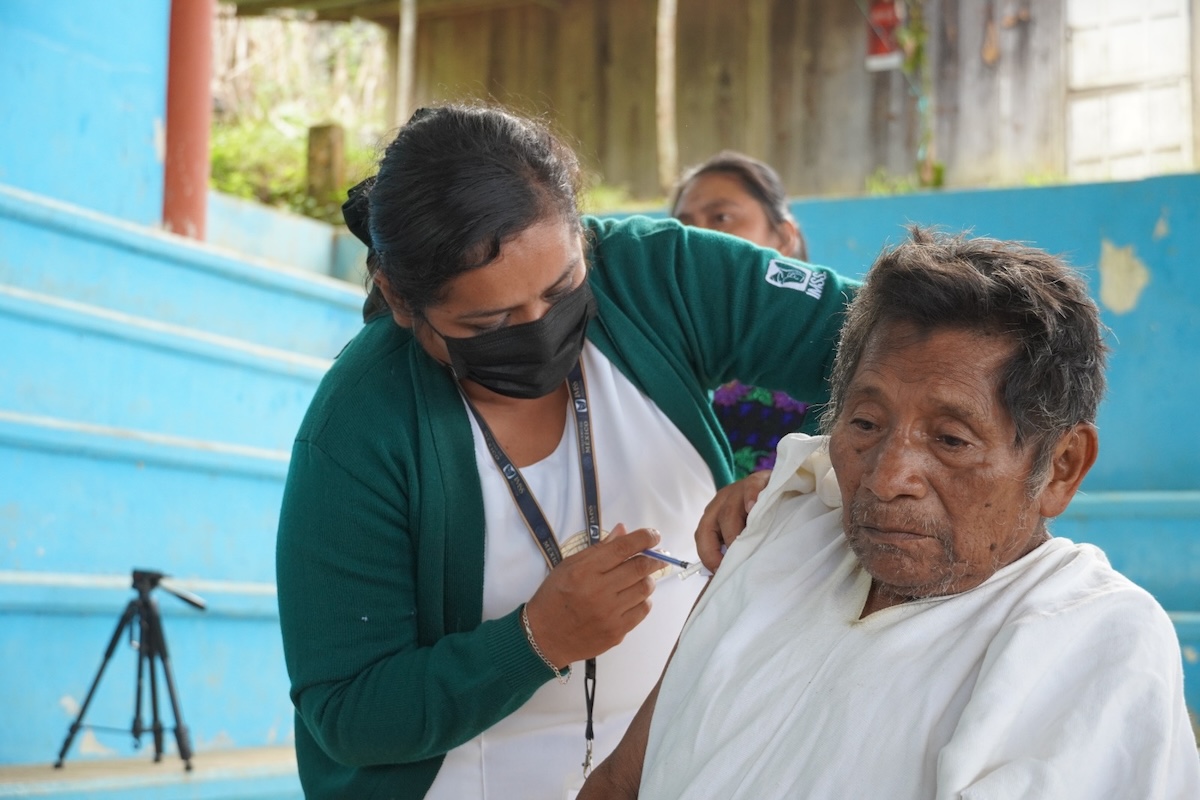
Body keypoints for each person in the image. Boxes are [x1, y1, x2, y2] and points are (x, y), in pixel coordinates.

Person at [274, 104, 858, 800]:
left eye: (561, 289)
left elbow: (900, 344)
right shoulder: (359, 427)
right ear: (403, 302)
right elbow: (348, 715)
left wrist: (803, 474)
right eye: (487, 322)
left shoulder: (659, 278)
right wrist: (532, 641)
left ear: (581, 231)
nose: (538, 327)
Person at [581, 227, 1200, 799]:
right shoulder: (786, 534)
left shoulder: (1092, 641)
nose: (886, 478)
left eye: (951, 440)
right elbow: (618, 784)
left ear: (1062, 466)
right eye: (866, 423)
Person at [671, 151, 816, 478]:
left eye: (721, 218)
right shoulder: (659, 361)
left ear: (783, 238)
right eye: (683, 226)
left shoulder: (824, 355)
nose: (697, 239)